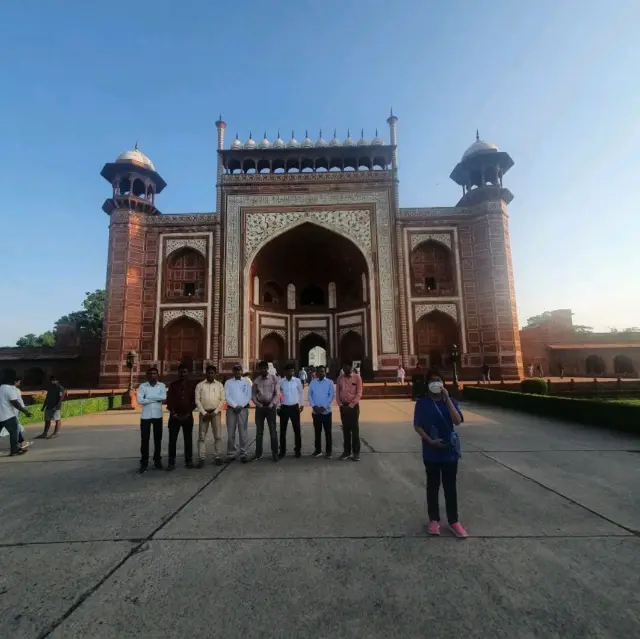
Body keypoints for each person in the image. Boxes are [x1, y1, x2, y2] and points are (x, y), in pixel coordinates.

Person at [413, 369, 467, 538]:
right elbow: (417, 425)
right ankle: (434, 520)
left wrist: (447, 399)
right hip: (431, 451)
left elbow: (457, 421)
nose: (435, 383)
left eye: (438, 380)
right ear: (427, 384)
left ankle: (454, 521)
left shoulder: (451, 401)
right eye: (432, 381)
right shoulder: (422, 403)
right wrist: (429, 441)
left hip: (449, 452)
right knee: (433, 487)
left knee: (450, 487)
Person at [135, 367, 167, 474]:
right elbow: (140, 400)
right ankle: (144, 463)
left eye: (154, 373)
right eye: (150, 374)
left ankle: (157, 461)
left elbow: (163, 397)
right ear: (147, 376)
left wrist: (147, 398)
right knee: (145, 440)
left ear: (157, 375)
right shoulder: (142, 386)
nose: (152, 375)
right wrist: (155, 398)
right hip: (146, 416)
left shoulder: (161, 385)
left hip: (158, 415)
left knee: (157, 439)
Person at [166, 365, 196, 471]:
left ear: (187, 373)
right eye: (181, 372)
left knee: (188, 439)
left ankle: (188, 460)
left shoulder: (191, 385)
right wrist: (173, 413)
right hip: (175, 416)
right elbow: (169, 400)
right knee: (172, 440)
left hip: (187, 416)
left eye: (184, 372)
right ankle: (171, 462)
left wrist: (188, 412)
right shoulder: (173, 385)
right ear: (178, 373)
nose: (183, 374)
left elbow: (194, 401)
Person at [195, 364, 225, 468]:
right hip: (204, 413)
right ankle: (201, 458)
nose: (210, 374)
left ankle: (217, 456)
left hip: (215, 413)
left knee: (217, 436)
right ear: (206, 373)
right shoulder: (200, 385)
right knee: (202, 437)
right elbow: (197, 400)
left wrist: (215, 412)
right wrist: (204, 413)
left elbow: (222, 399)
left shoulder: (219, 385)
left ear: (215, 374)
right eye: (209, 372)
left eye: (212, 373)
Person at [252, 360, 280, 462]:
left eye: (265, 368)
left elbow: (277, 393)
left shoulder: (274, 379)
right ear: (260, 369)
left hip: (270, 408)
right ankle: (258, 453)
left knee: (273, 431)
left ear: (267, 369)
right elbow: (253, 395)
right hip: (260, 408)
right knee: (259, 432)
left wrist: (272, 404)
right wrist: (258, 404)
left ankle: (275, 453)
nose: (263, 370)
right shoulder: (256, 381)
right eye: (261, 368)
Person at [336, 360, 363, 461]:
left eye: (347, 367)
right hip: (343, 407)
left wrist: (351, 405)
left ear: (351, 367)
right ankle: (346, 452)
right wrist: (341, 405)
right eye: (343, 367)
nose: (345, 369)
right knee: (346, 430)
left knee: (355, 430)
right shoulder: (340, 378)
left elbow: (359, 393)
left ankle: (356, 453)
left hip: (353, 407)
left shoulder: (357, 377)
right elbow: (338, 393)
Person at [224, 363, 252, 463]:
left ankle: (243, 453)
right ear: (233, 371)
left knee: (243, 432)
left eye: (239, 370)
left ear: (241, 371)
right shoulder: (228, 382)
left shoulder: (247, 382)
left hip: (243, 409)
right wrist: (235, 406)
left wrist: (241, 406)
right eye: (235, 370)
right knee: (231, 432)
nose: (237, 372)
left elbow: (249, 396)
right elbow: (227, 396)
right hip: (231, 410)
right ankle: (231, 453)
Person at [0, 372, 32, 456]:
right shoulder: (10, 389)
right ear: (12, 382)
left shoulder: (0, 388)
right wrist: (25, 411)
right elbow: (15, 403)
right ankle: (14, 451)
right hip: (8, 416)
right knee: (14, 433)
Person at [307, 364, 334, 459]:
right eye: (319, 371)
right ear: (316, 373)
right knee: (317, 432)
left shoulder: (330, 382)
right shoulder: (312, 382)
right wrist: (314, 406)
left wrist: (324, 407)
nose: (321, 373)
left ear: (325, 372)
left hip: (326, 412)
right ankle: (318, 450)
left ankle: (329, 451)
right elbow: (309, 395)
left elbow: (331, 396)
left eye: (322, 371)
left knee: (328, 432)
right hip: (316, 412)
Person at [279, 362, 304, 458]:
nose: (291, 372)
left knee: (297, 429)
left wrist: (302, 404)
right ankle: (282, 450)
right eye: (289, 371)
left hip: (294, 407)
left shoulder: (297, 381)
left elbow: (301, 393)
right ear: (285, 372)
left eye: (292, 371)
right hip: (284, 408)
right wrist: (278, 406)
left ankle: (298, 450)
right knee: (283, 431)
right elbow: (278, 394)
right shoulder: (280, 382)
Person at [36, 375, 65, 439]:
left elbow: (61, 398)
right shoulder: (50, 388)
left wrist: (56, 406)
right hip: (49, 406)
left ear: (57, 381)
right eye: (52, 380)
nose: (53, 381)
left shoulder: (60, 388)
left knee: (57, 420)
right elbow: (47, 397)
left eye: (54, 380)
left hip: (56, 407)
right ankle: (45, 433)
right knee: (47, 420)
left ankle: (55, 433)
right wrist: (44, 406)